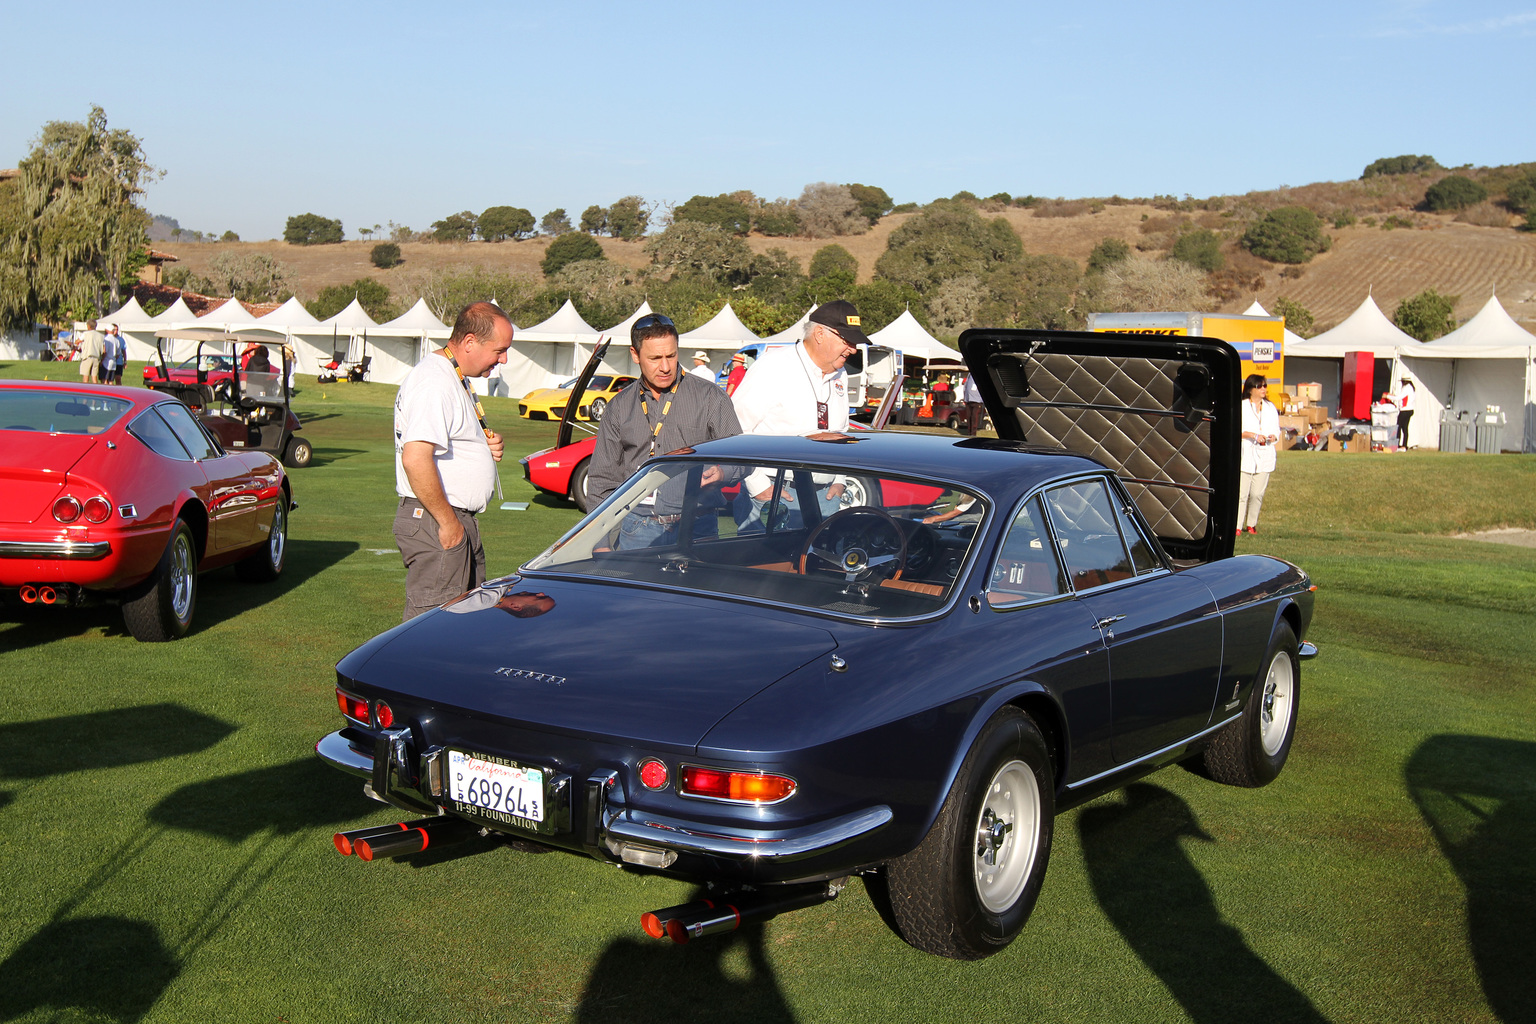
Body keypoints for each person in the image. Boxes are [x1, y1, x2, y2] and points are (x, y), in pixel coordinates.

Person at [392, 301, 512, 621]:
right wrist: (449, 524)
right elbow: (416, 457)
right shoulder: (435, 381)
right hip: (438, 521)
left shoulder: (453, 376)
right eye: (499, 350)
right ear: (470, 342)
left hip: (452, 520)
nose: (504, 359)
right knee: (431, 633)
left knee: (464, 627)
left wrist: (483, 447)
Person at [589, 314, 742, 548]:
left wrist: (723, 473)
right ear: (635, 355)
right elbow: (602, 478)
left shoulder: (711, 397)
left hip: (698, 528)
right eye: (654, 358)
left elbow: (740, 457)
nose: (665, 366)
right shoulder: (619, 406)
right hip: (636, 528)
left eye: (671, 355)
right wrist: (599, 542)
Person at [732, 299, 866, 524]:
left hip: (826, 497)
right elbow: (733, 429)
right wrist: (758, 485)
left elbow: (841, 432)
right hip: (774, 494)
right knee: (765, 560)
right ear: (820, 334)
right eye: (847, 340)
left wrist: (840, 479)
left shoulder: (840, 374)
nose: (853, 349)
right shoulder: (773, 366)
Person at [1238, 373, 1280, 536]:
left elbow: (1276, 429)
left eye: (1265, 386)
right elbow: (1237, 430)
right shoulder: (1242, 407)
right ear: (1250, 389)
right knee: (1242, 494)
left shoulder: (1270, 408)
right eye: (1259, 386)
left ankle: (1252, 524)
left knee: (1257, 494)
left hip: (1265, 455)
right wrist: (1253, 435)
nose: (1263, 389)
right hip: (1245, 455)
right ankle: (1237, 525)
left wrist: (1272, 437)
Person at [77, 320, 104, 384]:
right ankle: (96, 390)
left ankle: (85, 391)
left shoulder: (85, 334)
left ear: (88, 326)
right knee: (94, 377)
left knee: (86, 377)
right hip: (96, 358)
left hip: (87, 356)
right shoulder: (101, 336)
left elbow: (78, 341)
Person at [1395, 377, 1416, 449]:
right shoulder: (1411, 388)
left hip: (1405, 410)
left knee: (1399, 426)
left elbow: (1399, 397)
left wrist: (1388, 396)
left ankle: (1397, 444)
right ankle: (1404, 444)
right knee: (1405, 428)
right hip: (1410, 410)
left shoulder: (1406, 388)